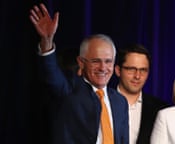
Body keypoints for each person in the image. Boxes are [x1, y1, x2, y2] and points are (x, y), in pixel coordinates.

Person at [29, 3, 129, 144]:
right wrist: (47, 41)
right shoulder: (68, 89)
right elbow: (51, 74)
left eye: (108, 61)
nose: (103, 67)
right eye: (96, 61)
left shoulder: (120, 102)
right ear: (81, 62)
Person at [114, 44, 169, 144]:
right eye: (131, 69)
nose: (137, 76)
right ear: (118, 70)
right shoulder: (100, 102)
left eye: (143, 70)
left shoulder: (160, 109)